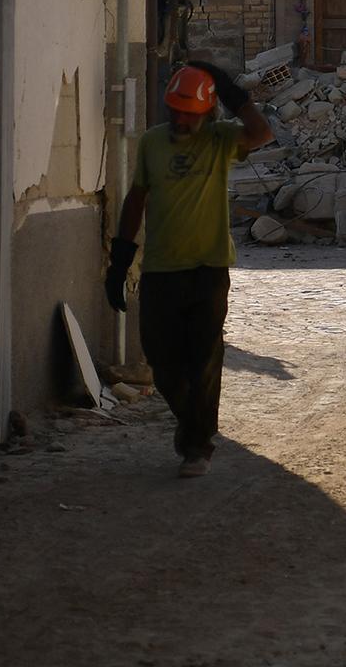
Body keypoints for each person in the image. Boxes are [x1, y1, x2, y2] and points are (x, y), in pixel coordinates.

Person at [104, 59, 272, 478]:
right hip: (161, 268)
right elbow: (136, 199)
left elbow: (262, 133)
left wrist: (233, 93)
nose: (181, 119)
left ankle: (197, 445)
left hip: (209, 267)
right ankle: (193, 427)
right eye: (175, 111)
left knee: (203, 359)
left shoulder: (221, 140)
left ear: (207, 113)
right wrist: (120, 257)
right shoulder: (152, 143)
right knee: (162, 360)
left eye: (190, 113)